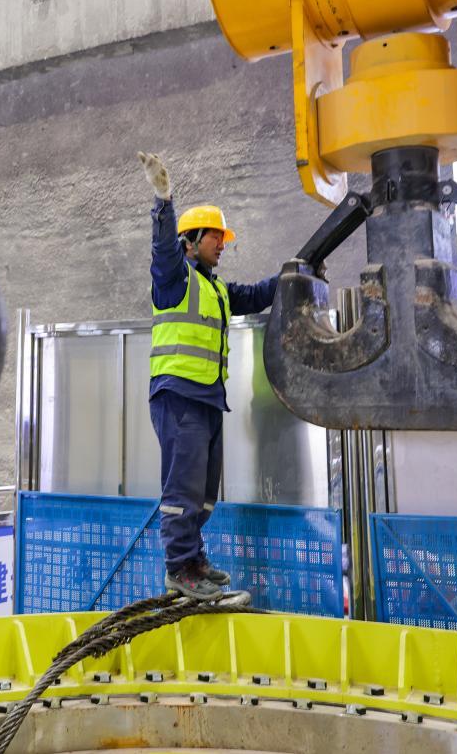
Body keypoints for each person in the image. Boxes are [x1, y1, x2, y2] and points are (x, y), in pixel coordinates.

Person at [138, 151, 279, 600]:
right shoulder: (174, 280)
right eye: (215, 236)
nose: (222, 243)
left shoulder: (215, 288)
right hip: (179, 397)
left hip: (207, 400)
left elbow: (255, 295)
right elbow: (162, 251)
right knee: (182, 489)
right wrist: (164, 203)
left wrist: (296, 275)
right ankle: (179, 568)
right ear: (191, 242)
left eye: (222, 237)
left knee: (202, 492)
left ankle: (193, 559)